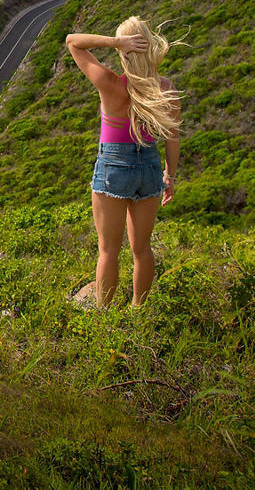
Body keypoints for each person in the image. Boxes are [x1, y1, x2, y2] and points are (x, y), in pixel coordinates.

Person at [66, 17, 181, 308]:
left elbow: (72, 41)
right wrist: (170, 176)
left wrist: (116, 42)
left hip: (114, 166)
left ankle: (105, 316)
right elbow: (173, 138)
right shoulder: (165, 88)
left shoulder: (110, 83)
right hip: (151, 167)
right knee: (142, 250)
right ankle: (138, 312)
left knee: (108, 251)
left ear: (125, 50)